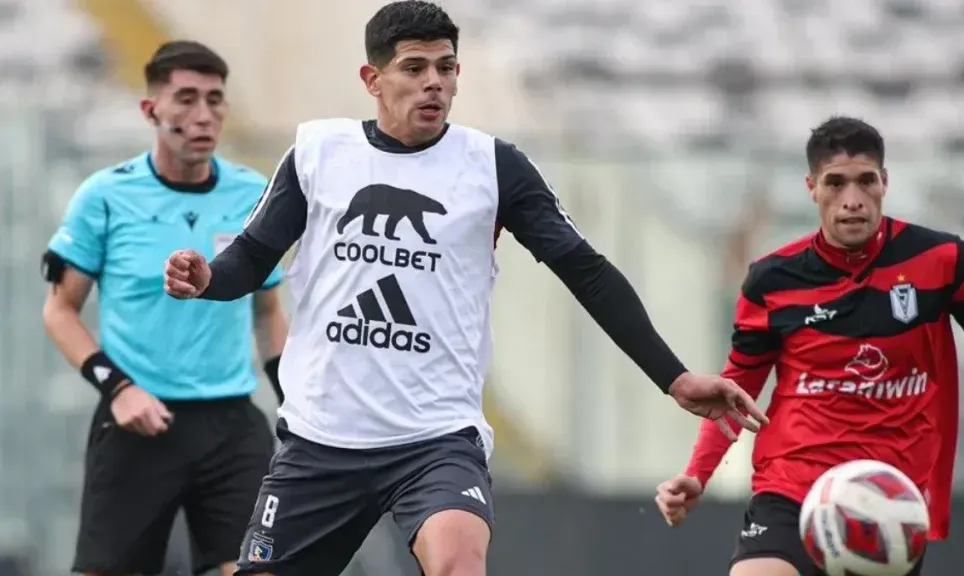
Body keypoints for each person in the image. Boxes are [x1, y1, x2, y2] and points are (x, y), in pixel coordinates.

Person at [163, 2, 768, 575]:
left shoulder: (493, 167)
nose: (435, 83)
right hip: (321, 439)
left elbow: (586, 271)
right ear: (372, 78)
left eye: (447, 68)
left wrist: (675, 377)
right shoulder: (319, 153)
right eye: (415, 68)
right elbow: (250, 257)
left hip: (435, 439)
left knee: (457, 559)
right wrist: (206, 280)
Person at [654, 116, 964, 576]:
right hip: (792, 484)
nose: (852, 200)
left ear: (884, 182)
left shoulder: (942, 261)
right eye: (836, 183)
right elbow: (735, 387)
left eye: (866, 181)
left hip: (887, 496)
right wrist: (698, 472)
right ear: (812, 187)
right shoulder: (772, 280)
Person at [41, 40, 290, 576]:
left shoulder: (254, 195)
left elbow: (268, 312)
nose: (204, 114)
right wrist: (119, 388)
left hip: (231, 427)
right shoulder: (104, 197)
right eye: (186, 98)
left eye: (216, 99)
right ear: (151, 110)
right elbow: (60, 312)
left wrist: (293, 401)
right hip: (136, 424)